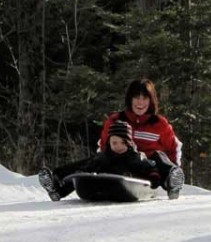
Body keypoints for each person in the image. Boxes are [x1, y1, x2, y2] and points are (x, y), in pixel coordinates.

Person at [38, 78, 185, 200]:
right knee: (93, 161)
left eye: (144, 98)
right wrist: (103, 162)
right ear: (130, 99)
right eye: (136, 97)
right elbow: (104, 144)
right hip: (120, 162)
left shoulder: (159, 123)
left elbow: (173, 147)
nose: (140, 102)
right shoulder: (116, 119)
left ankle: (172, 181)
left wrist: (172, 168)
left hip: (147, 168)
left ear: (151, 100)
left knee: (159, 156)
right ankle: (57, 183)